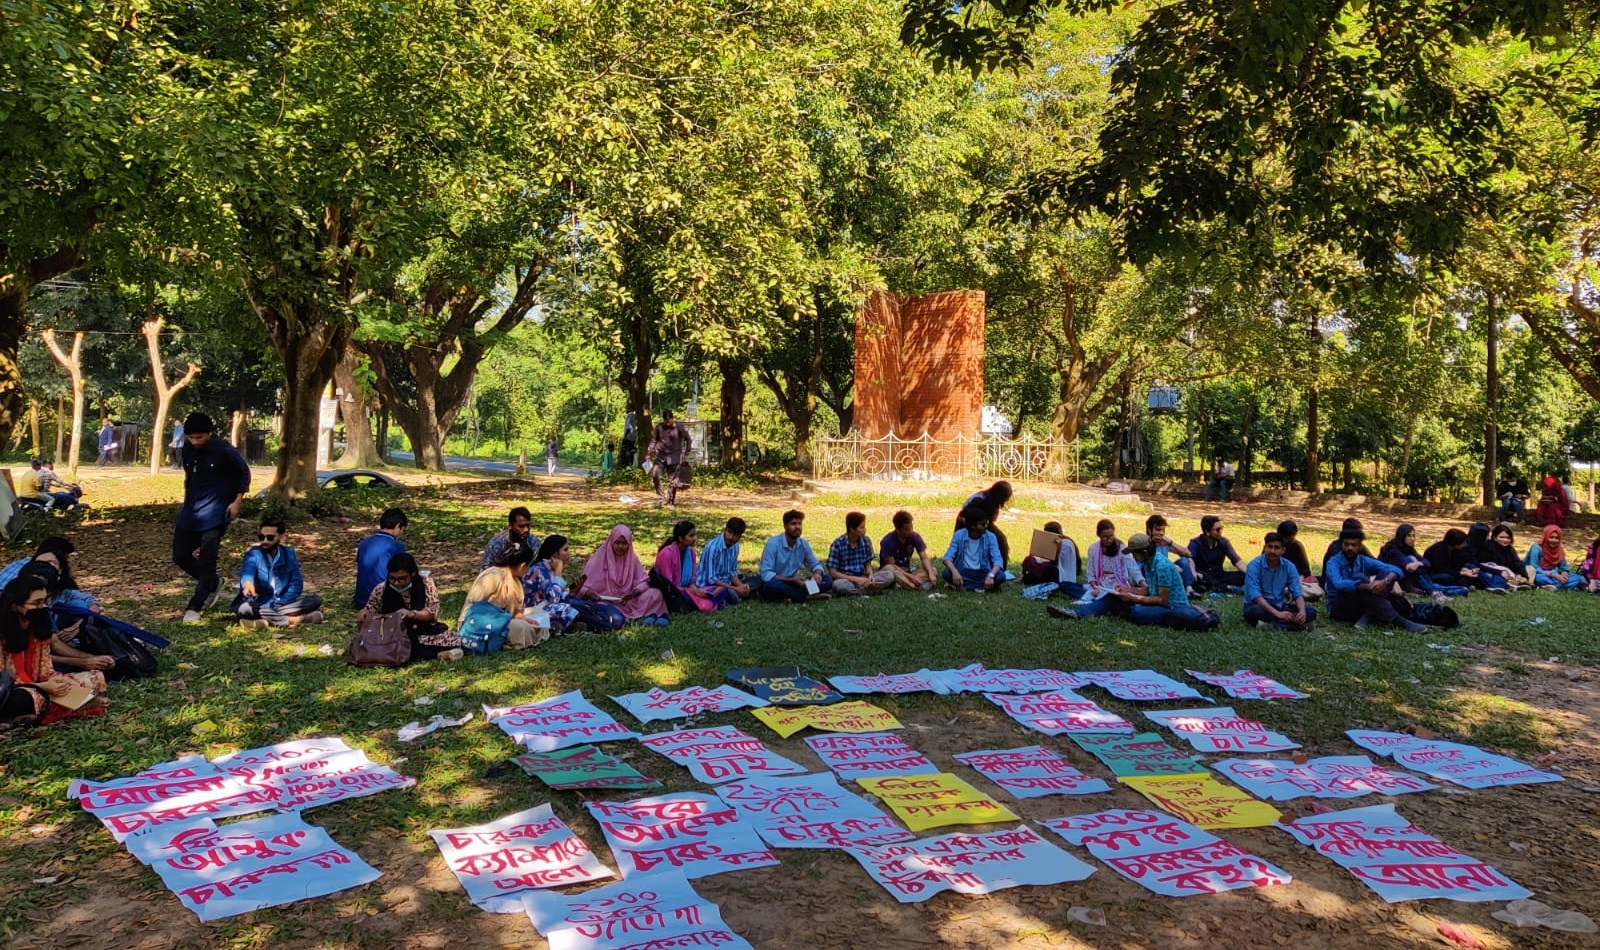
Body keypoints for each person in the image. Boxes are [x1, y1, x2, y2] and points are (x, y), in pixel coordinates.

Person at [1, 575, 111, 725]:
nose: (43, 607)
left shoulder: (38, 628)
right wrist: (42, 688)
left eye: (45, 601)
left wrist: (55, 681)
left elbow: (46, 669)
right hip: (10, 691)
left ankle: (57, 706)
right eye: (36, 603)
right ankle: (76, 704)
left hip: (39, 686)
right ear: (15, 606)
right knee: (26, 698)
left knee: (94, 678)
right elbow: (3, 683)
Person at [174, 412, 251, 624]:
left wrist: (237, 501)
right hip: (191, 512)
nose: (195, 441)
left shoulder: (224, 450)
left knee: (208, 559)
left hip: (217, 513)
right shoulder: (188, 449)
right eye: (191, 438)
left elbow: (244, 472)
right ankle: (213, 583)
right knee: (180, 555)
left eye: (199, 437)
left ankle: (196, 605)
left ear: (210, 433)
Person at [1051, 533, 1216, 629]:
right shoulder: (1150, 563)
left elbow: (1162, 600)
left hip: (1171, 608)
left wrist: (1134, 598)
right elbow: (1148, 590)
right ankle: (1077, 614)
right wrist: (1126, 590)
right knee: (1112, 597)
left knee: (1136, 612)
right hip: (1156, 602)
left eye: (1135, 553)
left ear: (1143, 552)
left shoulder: (1162, 566)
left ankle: (1123, 609)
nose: (1133, 557)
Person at [359, 553, 464, 661]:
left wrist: (413, 614)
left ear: (413, 573)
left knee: (454, 640)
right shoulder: (380, 590)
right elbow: (369, 610)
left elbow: (431, 612)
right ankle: (434, 655)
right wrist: (364, 615)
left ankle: (413, 653)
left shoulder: (426, 584)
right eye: (392, 578)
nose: (396, 583)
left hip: (423, 631)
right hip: (391, 635)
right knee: (403, 642)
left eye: (402, 579)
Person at [1325, 528, 1430, 632]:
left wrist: (1386, 581)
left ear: (1360, 546)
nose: (1349, 548)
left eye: (1354, 545)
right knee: (1359, 578)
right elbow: (1338, 584)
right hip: (1339, 607)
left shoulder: (1363, 560)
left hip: (1360, 605)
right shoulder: (1333, 562)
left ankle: (1368, 614)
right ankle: (1397, 620)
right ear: (1341, 545)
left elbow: (1395, 569)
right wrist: (1366, 586)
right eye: (1346, 544)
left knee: (1385, 573)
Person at [234, 518, 325, 628]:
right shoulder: (253, 554)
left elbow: (296, 584)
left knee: (314, 600)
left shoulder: (289, 554)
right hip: (260, 604)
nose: (265, 541)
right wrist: (248, 584)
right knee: (245, 609)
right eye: (262, 537)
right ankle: (296, 619)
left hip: (282, 604)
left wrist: (282, 602)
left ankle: (264, 620)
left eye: (270, 537)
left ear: (282, 537)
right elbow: (248, 571)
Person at [525, 535, 625, 633]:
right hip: (534, 614)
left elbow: (553, 595)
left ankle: (599, 621)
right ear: (555, 554)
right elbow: (553, 599)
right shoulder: (539, 570)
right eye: (565, 550)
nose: (568, 553)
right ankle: (599, 626)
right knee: (566, 609)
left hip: (547, 607)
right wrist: (558, 574)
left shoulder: (548, 567)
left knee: (578, 604)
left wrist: (570, 593)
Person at [575, 525, 670, 624]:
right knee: (603, 609)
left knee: (655, 594)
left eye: (624, 543)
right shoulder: (598, 559)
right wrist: (589, 592)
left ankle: (648, 615)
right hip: (604, 601)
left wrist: (634, 592)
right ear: (611, 541)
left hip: (628, 601)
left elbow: (643, 581)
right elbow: (582, 586)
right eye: (617, 542)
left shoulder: (632, 559)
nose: (620, 546)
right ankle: (638, 616)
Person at [461, 544, 550, 648]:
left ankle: (533, 637)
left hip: (506, 617)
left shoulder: (514, 579)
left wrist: (517, 615)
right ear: (522, 565)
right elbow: (472, 602)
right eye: (528, 566)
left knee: (540, 615)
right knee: (523, 627)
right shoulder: (492, 576)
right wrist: (465, 625)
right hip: (489, 621)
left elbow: (513, 609)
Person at [654, 520, 732, 611]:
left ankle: (703, 603)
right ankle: (710, 604)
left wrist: (697, 591)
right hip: (672, 593)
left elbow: (692, 581)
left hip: (687, 591)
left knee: (721, 589)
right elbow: (669, 586)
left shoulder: (691, 553)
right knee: (682, 598)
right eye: (691, 536)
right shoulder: (666, 554)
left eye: (695, 535)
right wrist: (692, 591)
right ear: (680, 538)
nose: (695, 538)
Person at [1243, 532, 1315, 630]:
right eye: (1270, 547)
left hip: (1279, 605)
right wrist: (1278, 614)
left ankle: (1271, 626)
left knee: (1310, 612)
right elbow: (1256, 596)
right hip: (1259, 606)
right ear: (1264, 548)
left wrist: (1302, 612)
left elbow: (1297, 592)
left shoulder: (1289, 566)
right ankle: (1296, 626)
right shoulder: (1254, 565)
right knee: (1253, 612)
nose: (1272, 551)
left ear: (1283, 550)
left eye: (1276, 548)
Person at [758, 510, 831, 603]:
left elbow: (815, 564)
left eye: (799, 524)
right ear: (785, 526)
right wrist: (793, 580)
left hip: (795, 583)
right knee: (770, 587)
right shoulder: (773, 544)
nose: (797, 527)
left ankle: (789, 597)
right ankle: (806, 597)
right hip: (777, 582)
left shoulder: (803, 544)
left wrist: (817, 573)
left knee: (827, 580)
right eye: (793, 524)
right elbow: (766, 574)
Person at [1378, 524, 1465, 597]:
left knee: (1415, 561)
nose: (1412, 538)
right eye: (1409, 535)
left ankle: (1432, 589)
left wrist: (1419, 563)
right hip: (1393, 579)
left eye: (1413, 535)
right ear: (1402, 536)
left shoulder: (1408, 549)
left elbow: (1426, 562)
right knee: (1411, 559)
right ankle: (1430, 590)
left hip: (1417, 577)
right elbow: (1407, 565)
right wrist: (1417, 564)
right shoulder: (1393, 549)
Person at [827, 512, 894, 596]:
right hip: (846, 579)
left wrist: (870, 575)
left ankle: (863, 589)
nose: (864, 530)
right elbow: (833, 572)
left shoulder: (866, 541)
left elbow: (868, 564)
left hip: (863, 577)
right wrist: (855, 579)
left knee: (889, 575)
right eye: (861, 527)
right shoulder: (838, 544)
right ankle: (868, 590)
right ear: (852, 529)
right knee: (838, 585)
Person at [942, 505, 1006, 592]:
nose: (986, 526)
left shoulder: (990, 536)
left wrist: (991, 575)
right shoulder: (959, 535)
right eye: (983, 524)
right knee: (946, 573)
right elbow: (947, 558)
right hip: (963, 572)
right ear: (973, 526)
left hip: (983, 573)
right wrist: (955, 572)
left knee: (1001, 576)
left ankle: (965, 587)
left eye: (986, 523)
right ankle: (983, 587)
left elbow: (998, 560)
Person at [355, 508, 408, 609]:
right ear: (397, 526)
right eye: (402, 529)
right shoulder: (396, 546)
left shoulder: (364, 543)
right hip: (384, 599)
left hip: (362, 600)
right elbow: (403, 572)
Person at [954, 480, 1013, 568]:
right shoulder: (979, 500)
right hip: (968, 524)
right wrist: (973, 527)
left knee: (1000, 540)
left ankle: (999, 568)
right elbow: (962, 518)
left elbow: (993, 519)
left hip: (983, 524)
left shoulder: (993, 502)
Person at [698, 518, 753, 604]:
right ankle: (732, 594)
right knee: (724, 592)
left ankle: (738, 592)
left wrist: (741, 585)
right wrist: (735, 589)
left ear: (740, 536)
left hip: (727, 583)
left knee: (757, 581)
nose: (731, 537)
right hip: (709, 586)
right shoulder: (712, 548)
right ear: (725, 529)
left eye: (735, 535)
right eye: (729, 532)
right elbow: (711, 580)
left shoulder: (735, 546)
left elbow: (732, 572)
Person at [1083, 519, 1144, 597]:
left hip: (1118, 584)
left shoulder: (1121, 548)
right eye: (1105, 537)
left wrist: (1143, 585)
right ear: (1099, 535)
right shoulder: (1093, 549)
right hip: (1100, 583)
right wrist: (1095, 587)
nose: (1109, 540)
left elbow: (1133, 568)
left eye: (1111, 535)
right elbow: (1090, 572)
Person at [1423, 528, 1496, 592]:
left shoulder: (1455, 550)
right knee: (1447, 578)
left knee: (1470, 569)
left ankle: (1490, 584)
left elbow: (1457, 564)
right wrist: (1461, 572)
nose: (1465, 545)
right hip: (1433, 574)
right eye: (1463, 543)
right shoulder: (1439, 549)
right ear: (1456, 544)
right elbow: (1442, 569)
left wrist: (1464, 570)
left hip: (1451, 571)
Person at [880, 511, 936, 591]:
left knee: (933, 570)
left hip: (908, 571)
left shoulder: (915, 536)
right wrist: (911, 577)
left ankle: (904, 585)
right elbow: (893, 566)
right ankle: (913, 586)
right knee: (890, 570)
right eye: (906, 529)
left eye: (911, 528)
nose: (910, 531)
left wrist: (930, 573)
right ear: (898, 529)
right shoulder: (887, 542)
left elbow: (924, 558)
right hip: (894, 572)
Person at [646, 409, 692, 508]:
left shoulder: (678, 427)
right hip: (660, 455)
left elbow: (688, 439)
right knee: (655, 474)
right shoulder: (659, 427)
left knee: (673, 480)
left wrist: (686, 453)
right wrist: (649, 452)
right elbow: (653, 440)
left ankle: (671, 501)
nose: (668, 423)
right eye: (666, 421)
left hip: (674, 456)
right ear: (663, 420)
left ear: (672, 418)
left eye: (669, 420)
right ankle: (662, 497)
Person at [1187, 515, 1245, 590]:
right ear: (1207, 532)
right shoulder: (1195, 543)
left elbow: (1237, 561)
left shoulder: (1224, 542)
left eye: (1221, 528)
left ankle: (1218, 586)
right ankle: (1222, 586)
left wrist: (1250, 574)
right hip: (1202, 573)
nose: (1220, 532)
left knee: (1243, 576)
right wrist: (1193, 573)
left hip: (1219, 574)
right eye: (1218, 529)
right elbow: (1190, 560)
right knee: (1199, 577)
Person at [1526, 524, 1585, 590]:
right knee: (1539, 578)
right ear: (1545, 536)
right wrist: (1554, 575)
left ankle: (1551, 587)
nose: (1554, 540)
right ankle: (1560, 586)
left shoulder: (1559, 549)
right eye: (1551, 537)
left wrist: (1564, 576)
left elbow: (1564, 567)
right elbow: (1534, 567)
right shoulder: (1537, 548)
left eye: (1557, 538)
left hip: (1554, 576)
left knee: (1578, 577)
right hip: (1538, 573)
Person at [1145, 513, 1196, 590]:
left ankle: (1189, 588)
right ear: (1149, 530)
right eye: (1158, 530)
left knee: (1185, 560)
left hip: (1166, 567)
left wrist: (1171, 543)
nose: (1161, 533)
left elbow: (1188, 554)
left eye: (1163, 530)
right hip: (1153, 571)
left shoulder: (1165, 541)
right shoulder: (1143, 541)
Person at [1277, 520, 1323, 601]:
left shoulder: (1297, 546)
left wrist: (1297, 584)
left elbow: (1304, 571)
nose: (1289, 540)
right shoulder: (1274, 546)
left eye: (1291, 538)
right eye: (1287, 538)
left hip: (1294, 580)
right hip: (1275, 578)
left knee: (1316, 591)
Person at [1479, 524, 1531, 590]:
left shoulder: (1510, 549)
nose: (1505, 540)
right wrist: (1500, 572)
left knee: (1530, 569)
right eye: (1502, 537)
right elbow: (1483, 565)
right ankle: (1509, 584)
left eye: (1508, 538)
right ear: (1494, 538)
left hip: (1510, 573)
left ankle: (1522, 582)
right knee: (1497, 577)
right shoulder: (1488, 547)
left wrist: (1524, 576)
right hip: (1494, 573)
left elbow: (1517, 563)